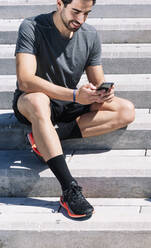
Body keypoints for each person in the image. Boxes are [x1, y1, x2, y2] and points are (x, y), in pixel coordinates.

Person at [13, 0, 135, 219]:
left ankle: (46, 138)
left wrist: (102, 93)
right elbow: (25, 80)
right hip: (33, 102)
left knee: (126, 110)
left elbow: (98, 81)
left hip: (69, 102)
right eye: (76, 11)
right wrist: (73, 94)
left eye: (87, 13)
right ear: (60, 4)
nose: (80, 20)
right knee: (39, 101)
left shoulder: (90, 35)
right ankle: (69, 189)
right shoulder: (32, 26)